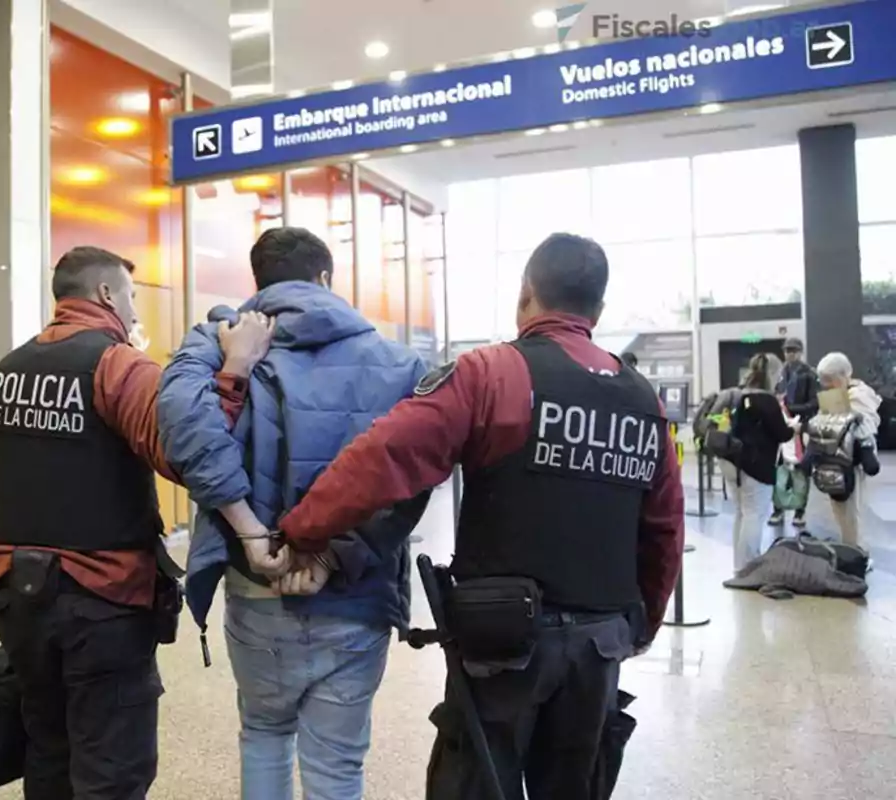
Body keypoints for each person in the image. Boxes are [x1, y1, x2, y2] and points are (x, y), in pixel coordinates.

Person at [271, 233, 685, 800]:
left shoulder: (494, 375)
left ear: (525, 296)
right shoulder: (645, 401)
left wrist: (303, 529)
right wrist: (644, 624)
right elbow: (663, 526)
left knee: (472, 785)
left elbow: (387, 456)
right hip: (599, 645)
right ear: (599, 310)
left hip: (502, 644)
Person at [0, 245, 274, 800]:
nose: (133, 308)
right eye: (130, 295)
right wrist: (231, 377)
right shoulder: (119, 366)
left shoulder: (0, 376)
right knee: (112, 768)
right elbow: (185, 452)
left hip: (17, 597)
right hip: (104, 602)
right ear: (105, 294)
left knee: (47, 750)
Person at [157, 226, 428, 800]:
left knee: (263, 733)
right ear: (326, 279)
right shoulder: (401, 364)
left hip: (255, 587)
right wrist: (333, 553)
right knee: (337, 769)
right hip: (357, 596)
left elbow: (183, 424)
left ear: (259, 284)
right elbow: (414, 480)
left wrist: (253, 535)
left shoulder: (218, 342)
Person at [711, 354, 794, 575]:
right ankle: (750, 566)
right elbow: (782, 433)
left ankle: (739, 565)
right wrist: (795, 428)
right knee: (755, 514)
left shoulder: (739, 394)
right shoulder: (766, 400)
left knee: (741, 512)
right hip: (755, 464)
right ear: (773, 374)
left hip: (731, 460)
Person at [806, 352, 881, 548]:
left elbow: (866, 427)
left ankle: (857, 554)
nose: (825, 384)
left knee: (851, 514)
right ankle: (848, 549)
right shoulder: (835, 396)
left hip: (852, 462)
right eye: (822, 380)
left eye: (829, 380)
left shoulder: (861, 396)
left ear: (845, 374)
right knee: (839, 513)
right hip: (833, 462)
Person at [769, 337, 818, 528]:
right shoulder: (780, 374)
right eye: (787, 350)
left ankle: (800, 511)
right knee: (779, 469)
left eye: (794, 350)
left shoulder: (809, 374)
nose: (790, 354)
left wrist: (793, 408)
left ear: (800, 352)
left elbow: (815, 403)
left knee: (801, 471)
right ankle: (778, 509)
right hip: (781, 429)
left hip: (800, 429)